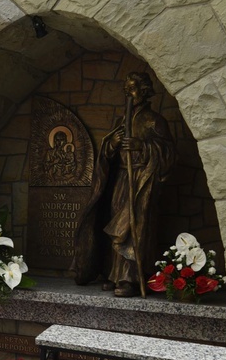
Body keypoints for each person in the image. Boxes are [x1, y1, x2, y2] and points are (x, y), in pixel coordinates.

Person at [72, 72, 176, 296]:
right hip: (120, 180)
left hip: (141, 181)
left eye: (133, 88)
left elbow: (167, 152)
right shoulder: (122, 120)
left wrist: (142, 146)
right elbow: (107, 152)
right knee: (114, 225)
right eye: (126, 89)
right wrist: (112, 144)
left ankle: (131, 277)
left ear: (145, 90)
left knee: (132, 227)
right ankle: (113, 273)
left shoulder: (154, 121)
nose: (128, 93)